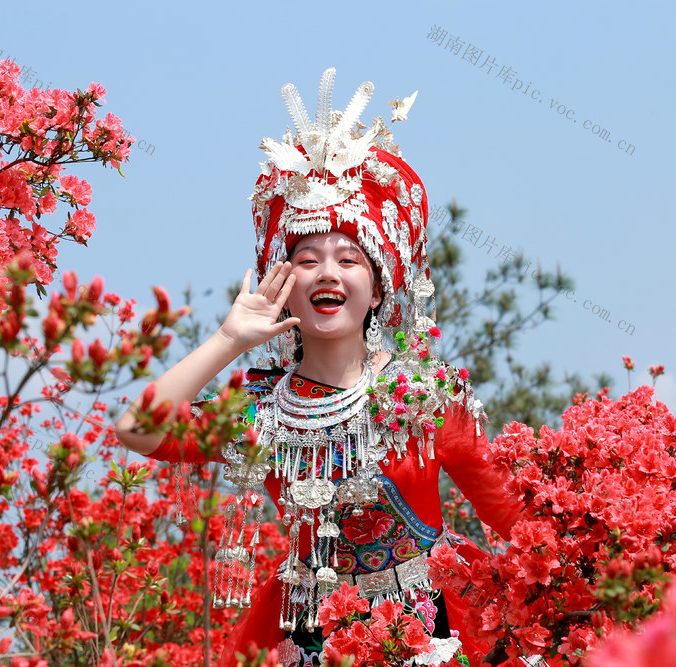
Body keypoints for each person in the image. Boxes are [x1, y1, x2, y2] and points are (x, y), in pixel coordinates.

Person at [116, 68, 523, 667]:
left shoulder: (425, 398)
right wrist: (228, 339)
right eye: (307, 259)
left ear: (379, 288)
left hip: (427, 632)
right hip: (307, 637)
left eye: (349, 258)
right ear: (286, 284)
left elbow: (516, 518)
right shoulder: (265, 415)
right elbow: (137, 429)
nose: (327, 273)